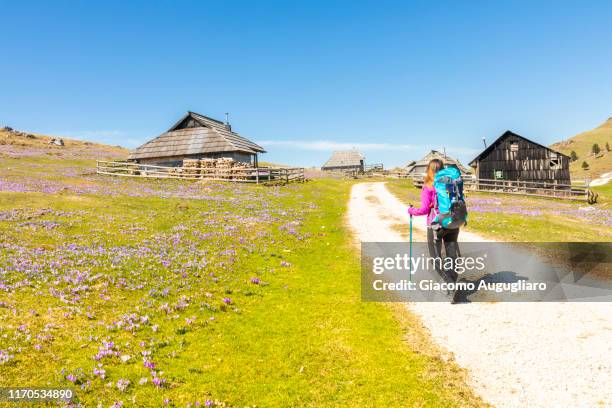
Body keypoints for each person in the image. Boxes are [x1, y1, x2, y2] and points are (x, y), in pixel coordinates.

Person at [408, 159, 459, 284]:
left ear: (429, 170)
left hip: (435, 225)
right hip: (452, 222)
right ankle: (452, 278)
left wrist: (411, 210)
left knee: (435, 258)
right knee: (451, 255)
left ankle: (449, 284)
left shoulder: (428, 187)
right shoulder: (450, 183)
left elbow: (424, 209)